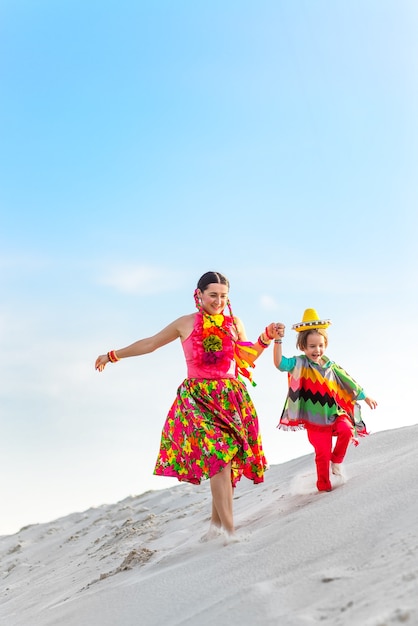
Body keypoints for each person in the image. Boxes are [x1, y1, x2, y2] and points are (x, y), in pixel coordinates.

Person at [95, 271, 280, 540]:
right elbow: (150, 343)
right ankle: (230, 532)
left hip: (231, 398)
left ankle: (216, 528)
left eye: (223, 296)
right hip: (198, 399)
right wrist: (112, 355)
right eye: (213, 295)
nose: (218, 301)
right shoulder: (186, 323)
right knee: (219, 457)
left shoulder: (234, 323)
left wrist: (266, 338)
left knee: (226, 461)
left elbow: (246, 358)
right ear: (200, 295)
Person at [273, 308, 378, 492]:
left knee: (346, 430)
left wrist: (365, 396)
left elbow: (348, 381)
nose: (317, 350)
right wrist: (278, 340)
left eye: (321, 345)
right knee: (322, 454)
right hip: (315, 421)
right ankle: (324, 487)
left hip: (335, 413)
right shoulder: (299, 363)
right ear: (303, 347)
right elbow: (280, 363)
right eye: (312, 346)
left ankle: (336, 461)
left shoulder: (331, 366)